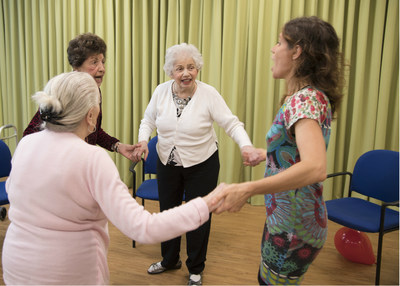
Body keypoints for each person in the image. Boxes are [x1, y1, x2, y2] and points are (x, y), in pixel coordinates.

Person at [2, 72, 224, 285]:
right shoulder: (92, 158)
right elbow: (142, 227)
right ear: (91, 115)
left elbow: (15, 193)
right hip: (67, 272)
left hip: (16, 265)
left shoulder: (26, 144)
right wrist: (207, 203)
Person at [213, 16, 345, 285]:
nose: (273, 49)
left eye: (279, 42)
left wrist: (247, 188)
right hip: (290, 220)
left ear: (297, 51)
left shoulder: (304, 99)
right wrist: (268, 154)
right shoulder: (310, 96)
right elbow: (298, 152)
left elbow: (315, 167)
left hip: (294, 227)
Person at [132, 43, 260, 285]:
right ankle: (169, 260)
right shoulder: (160, 91)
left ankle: (195, 268)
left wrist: (246, 146)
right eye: (179, 68)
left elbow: (231, 124)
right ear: (170, 72)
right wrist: (142, 141)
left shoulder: (209, 94)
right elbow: (148, 120)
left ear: (198, 69)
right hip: (167, 162)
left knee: (198, 215)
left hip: (202, 164)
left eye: (191, 67)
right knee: (168, 212)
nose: (186, 73)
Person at [23, 33, 135, 160]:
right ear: (76, 66)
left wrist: (117, 146)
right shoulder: (62, 91)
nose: (102, 68)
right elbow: (30, 134)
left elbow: (93, 130)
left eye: (103, 62)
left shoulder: (94, 91)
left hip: (83, 162)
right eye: (94, 62)